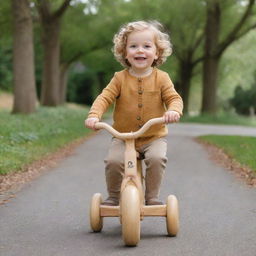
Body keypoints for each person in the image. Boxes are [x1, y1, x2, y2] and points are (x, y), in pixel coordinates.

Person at [85, 20, 183, 206]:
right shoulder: (119, 78)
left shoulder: (162, 78)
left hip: (153, 137)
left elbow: (174, 99)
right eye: (133, 46)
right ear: (124, 52)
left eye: (147, 46)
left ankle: (152, 196)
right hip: (122, 136)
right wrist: (94, 116)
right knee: (113, 161)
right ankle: (114, 197)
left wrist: (173, 111)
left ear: (157, 53)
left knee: (157, 158)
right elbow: (104, 98)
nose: (140, 50)